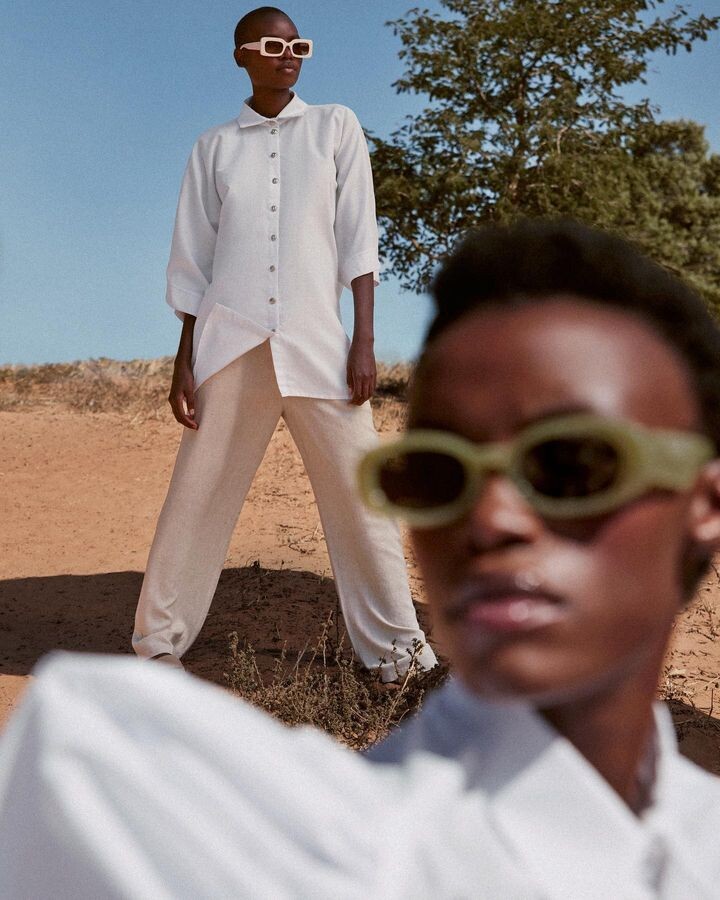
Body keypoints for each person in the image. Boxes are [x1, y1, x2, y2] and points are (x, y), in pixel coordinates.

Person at [1, 221, 719, 898]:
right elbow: (69, 741)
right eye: (438, 474)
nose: (489, 520)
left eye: (570, 466)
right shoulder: (301, 849)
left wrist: (360, 337)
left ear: (704, 506)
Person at [132, 6, 436, 679]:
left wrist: (363, 340)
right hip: (228, 343)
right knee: (197, 494)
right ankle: (157, 645)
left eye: (298, 45)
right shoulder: (213, 148)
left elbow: (358, 237)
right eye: (272, 46)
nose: (288, 55)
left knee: (362, 496)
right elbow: (193, 261)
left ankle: (400, 654)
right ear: (241, 55)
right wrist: (184, 360)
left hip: (318, 343)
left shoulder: (335, 127)